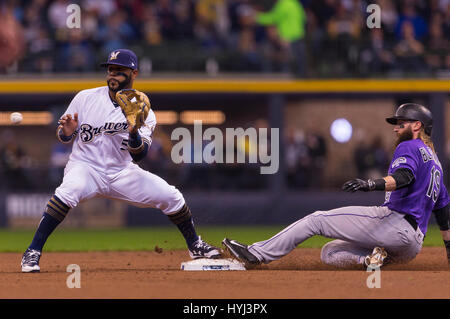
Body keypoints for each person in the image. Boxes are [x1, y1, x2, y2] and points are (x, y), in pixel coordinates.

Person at [21, 49, 221, 273]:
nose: (112, 75)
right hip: (86, 167)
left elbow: (139, 154)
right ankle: (32, 251)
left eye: (119, 71)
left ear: (133, 73)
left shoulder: (143, 110)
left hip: (121, 171)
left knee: (171, 195)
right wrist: (66, 132)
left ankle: (195, 245)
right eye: (110, 70)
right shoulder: (85, 98)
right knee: (67, 192)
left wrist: (134, 132)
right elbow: (64, 134)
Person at [223, 103, 450, 269]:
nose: (396, 127)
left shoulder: (409, 146)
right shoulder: (436, 163)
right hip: (412, 247)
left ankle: (255, 254)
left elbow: (403, 177)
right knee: (330, 252)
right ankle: (368, 262)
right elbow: (443, 211)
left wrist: (371, 184)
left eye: (401, 123)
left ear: (417, 125)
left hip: (395, 224)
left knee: (316, 220)